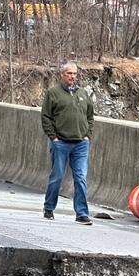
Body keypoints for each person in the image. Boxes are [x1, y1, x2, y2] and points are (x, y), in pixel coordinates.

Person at [41, 61, 94, 224]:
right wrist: (54, 138)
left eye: (75, 74)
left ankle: (82, 213)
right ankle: (49, 207)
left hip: (81, 144)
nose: (72, 77)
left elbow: (90, 116)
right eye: (69, 73)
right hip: (61, 143)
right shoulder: (53, 93)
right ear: (62, 75)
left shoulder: (83, 94)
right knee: (57, 177)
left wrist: (87, 135)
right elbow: (46, 117)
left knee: (80, 178)